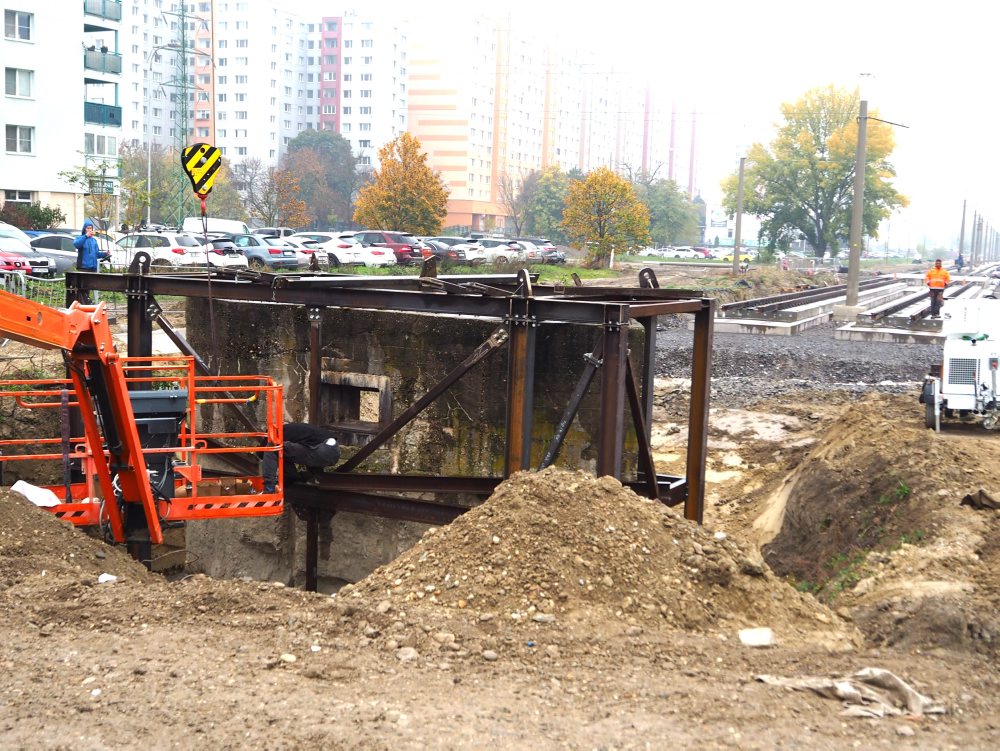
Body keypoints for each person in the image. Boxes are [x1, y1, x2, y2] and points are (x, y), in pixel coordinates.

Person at [261, 422, 340, 494]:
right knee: (288, 452)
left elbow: (271, 451)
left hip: (321, 449)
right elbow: (287, 455)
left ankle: (269, 488)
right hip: (334, 450)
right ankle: (308, 479)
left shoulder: (278, 434)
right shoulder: (292, 429)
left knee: (273, 447)